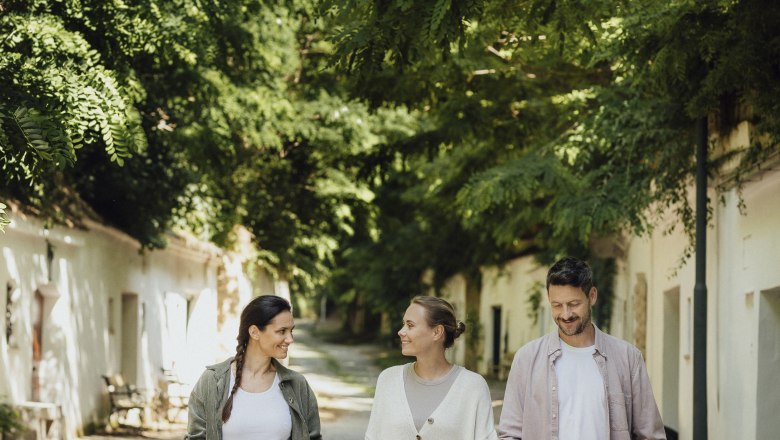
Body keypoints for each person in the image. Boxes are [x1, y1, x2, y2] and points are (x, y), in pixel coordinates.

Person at [498, 256, 666, 439]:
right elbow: (510, 434)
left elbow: (650, 434)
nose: (566, 314)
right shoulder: (526, 359)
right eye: (557, 306)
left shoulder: (628, 358)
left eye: (573, 304)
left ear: (592, 296)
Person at [186, 295, 322, 439]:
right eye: (282, 331)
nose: (290, 339)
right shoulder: (212, 381)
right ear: (254, 332)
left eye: (291, 331)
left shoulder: (297, 385)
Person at [366, 295, 498, 440]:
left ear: (437, 332)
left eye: (410, 325)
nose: (401, 331)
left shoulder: (473, 387)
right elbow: (372, 436)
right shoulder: (388, 380)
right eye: (403, 324)